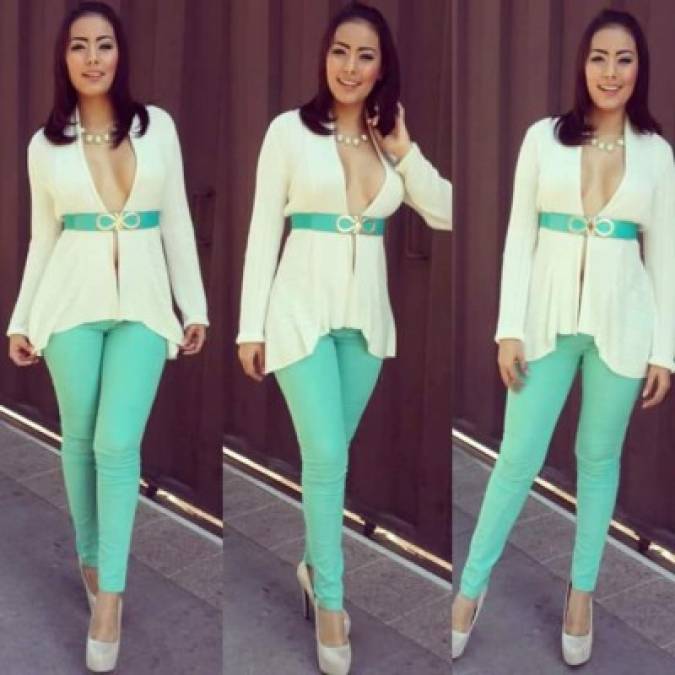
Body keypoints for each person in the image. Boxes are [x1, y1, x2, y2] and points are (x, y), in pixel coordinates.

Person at [451, 8, 674, 667]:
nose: (611, 72)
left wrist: (664, 348)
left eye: (624, 59)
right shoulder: (543, 139)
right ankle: (468, 589)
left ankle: (581, 592)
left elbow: (663, 255)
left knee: (597, 459)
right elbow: (519, 235)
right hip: (544, 323)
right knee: (517, 457)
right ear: (581, 66)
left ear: (640, 69)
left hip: (621, 327)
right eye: (599, 58)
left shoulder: (656, 154)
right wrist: (507, 329)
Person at [236, 2, 451, 673]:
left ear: (382, 66)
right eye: (339, 51)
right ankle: (329, 600)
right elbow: (260, 229)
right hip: (297, 311)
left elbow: (444, 210)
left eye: (364, 55)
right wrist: (249, 325)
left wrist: (404, 150)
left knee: (333, 458)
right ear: (322, 56)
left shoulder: (388, 146)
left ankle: (309, 562)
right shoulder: (288, 133)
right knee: (325, 453)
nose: (349, 67)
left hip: (365, 326)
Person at [6, 2, 208, 671]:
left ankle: (110, 596)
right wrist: (23, 318)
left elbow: (175, 218)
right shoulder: (45, 144)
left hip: (146, 307)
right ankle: (90, 553)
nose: (92, 57)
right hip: (69, 305)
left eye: (104, 45)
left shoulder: (158, 129)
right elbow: (43, 237)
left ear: (120, 55)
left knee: (119, 442)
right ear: (63, 59)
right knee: (82, 436)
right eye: (78, 47)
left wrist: (193, 305)